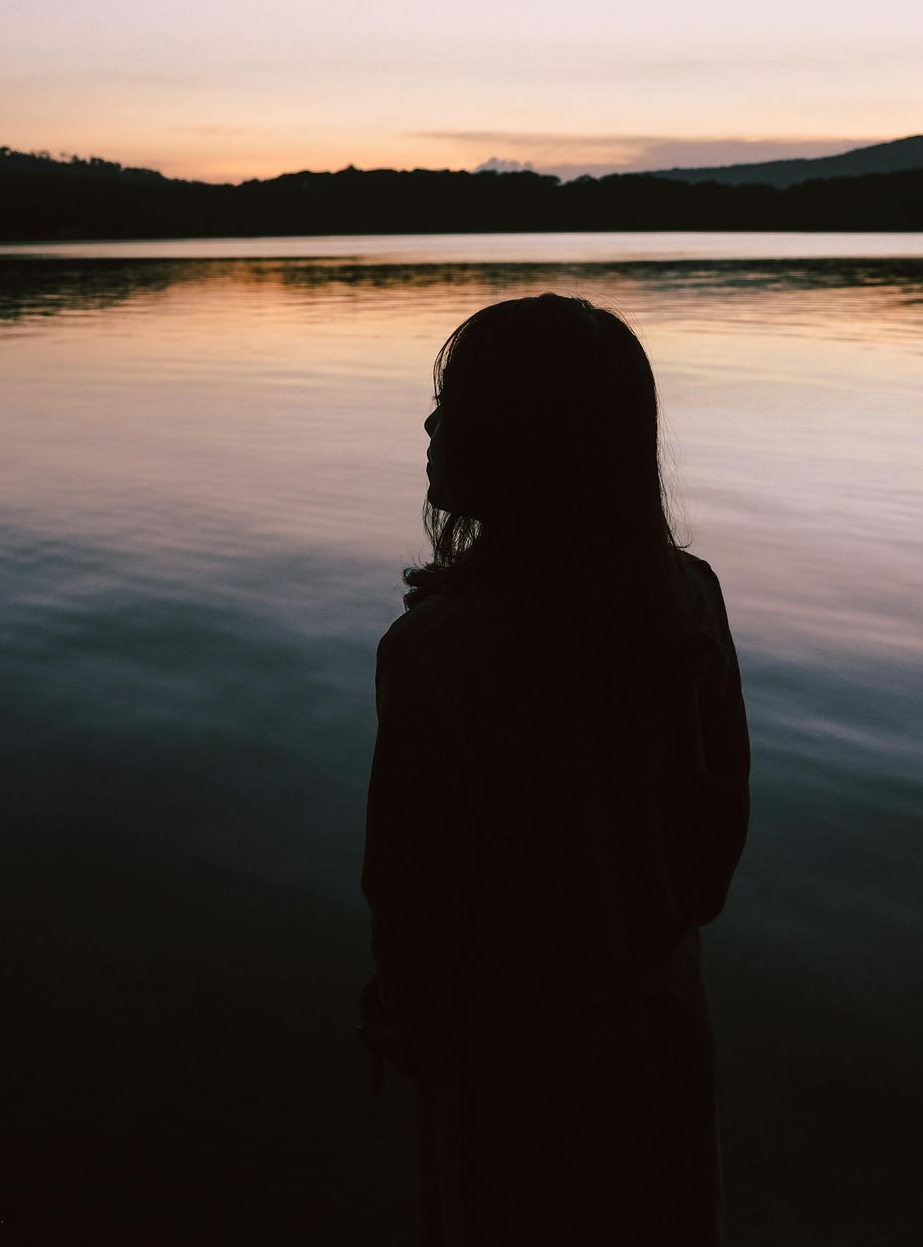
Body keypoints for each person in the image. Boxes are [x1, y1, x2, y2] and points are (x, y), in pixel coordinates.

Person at [360, 294, 752, 1246]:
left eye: (455, 401)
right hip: (661, 1027)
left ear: (517, 437)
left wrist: (403, 1027)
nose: (430, 421)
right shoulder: (688, 600)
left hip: (511, 1065)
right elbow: (711, 862)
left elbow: (416, 912)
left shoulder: (434, 658)